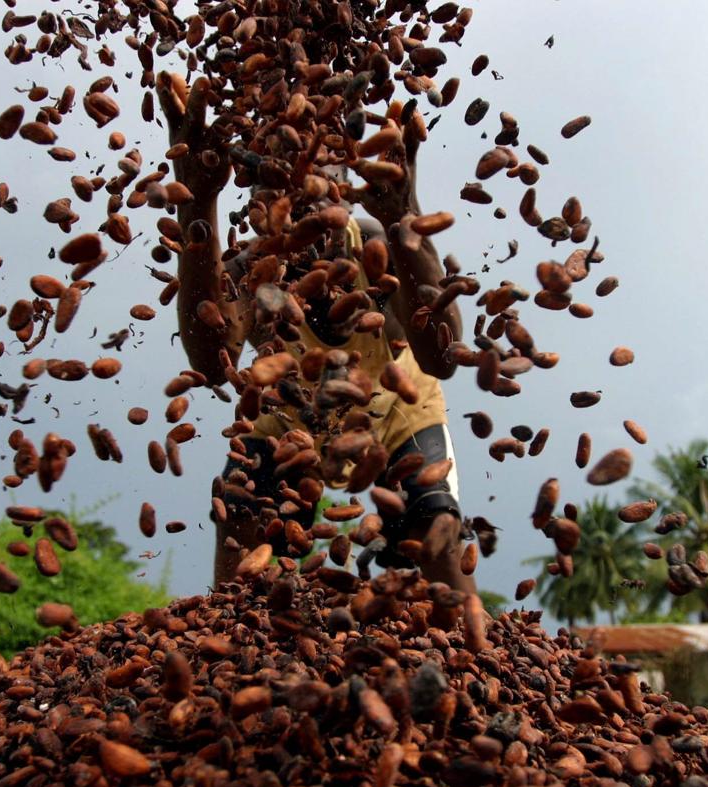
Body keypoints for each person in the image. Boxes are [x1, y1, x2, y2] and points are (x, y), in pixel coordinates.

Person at [156, 73, 474, 594]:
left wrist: (405, 218)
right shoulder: (253, 271)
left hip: (395, 410)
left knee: (432, 524)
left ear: (343, 180)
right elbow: (213, 363)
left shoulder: (377, 246)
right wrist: (196, 203)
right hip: (289, 416)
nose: (294, 188)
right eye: (275, 173)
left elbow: (442, 356)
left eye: (313, 166)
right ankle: (235, 653)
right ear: (255, 194)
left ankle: (470, 657)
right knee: (241, 514)